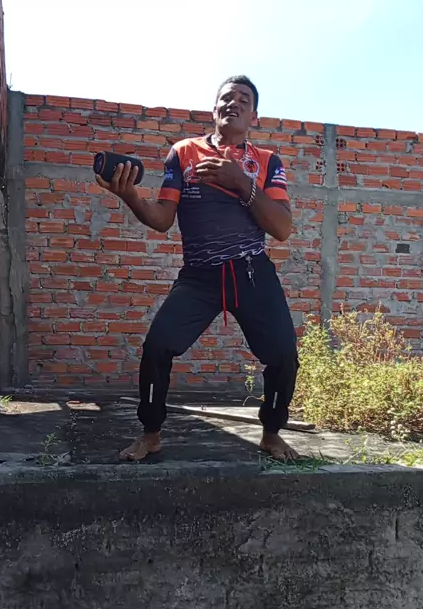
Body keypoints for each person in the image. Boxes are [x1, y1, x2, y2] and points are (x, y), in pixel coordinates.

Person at [96, 75, 299, 462]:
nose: (234, 103)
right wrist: (131, 196)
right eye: (227, 97)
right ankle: (151, 434)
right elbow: (162, 219)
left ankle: (272, 434)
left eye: (244, 99)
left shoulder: (268, 161)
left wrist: (241, 182)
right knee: (157, 347)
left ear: (253, 116)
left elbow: (282, 228)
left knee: (283, 354)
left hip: (252, 274)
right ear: (214, 109)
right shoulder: (184, 152)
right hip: (200, 276)